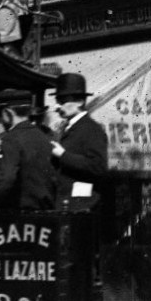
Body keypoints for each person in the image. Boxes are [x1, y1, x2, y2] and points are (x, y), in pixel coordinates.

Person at [0, 101, 58, 210]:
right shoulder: (44, 137)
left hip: (18, 213)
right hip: (45, 209)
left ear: (7, 113)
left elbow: (7, 178)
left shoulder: (10, 139)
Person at [49, 72, 108, 203]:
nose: (56, 107)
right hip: (67, 202)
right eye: (57, 101)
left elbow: (98, 166)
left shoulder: (92, 129)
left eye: (63, 101)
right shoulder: (68, 127)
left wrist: (63, 154)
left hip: (82, 204)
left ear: (80, 102)